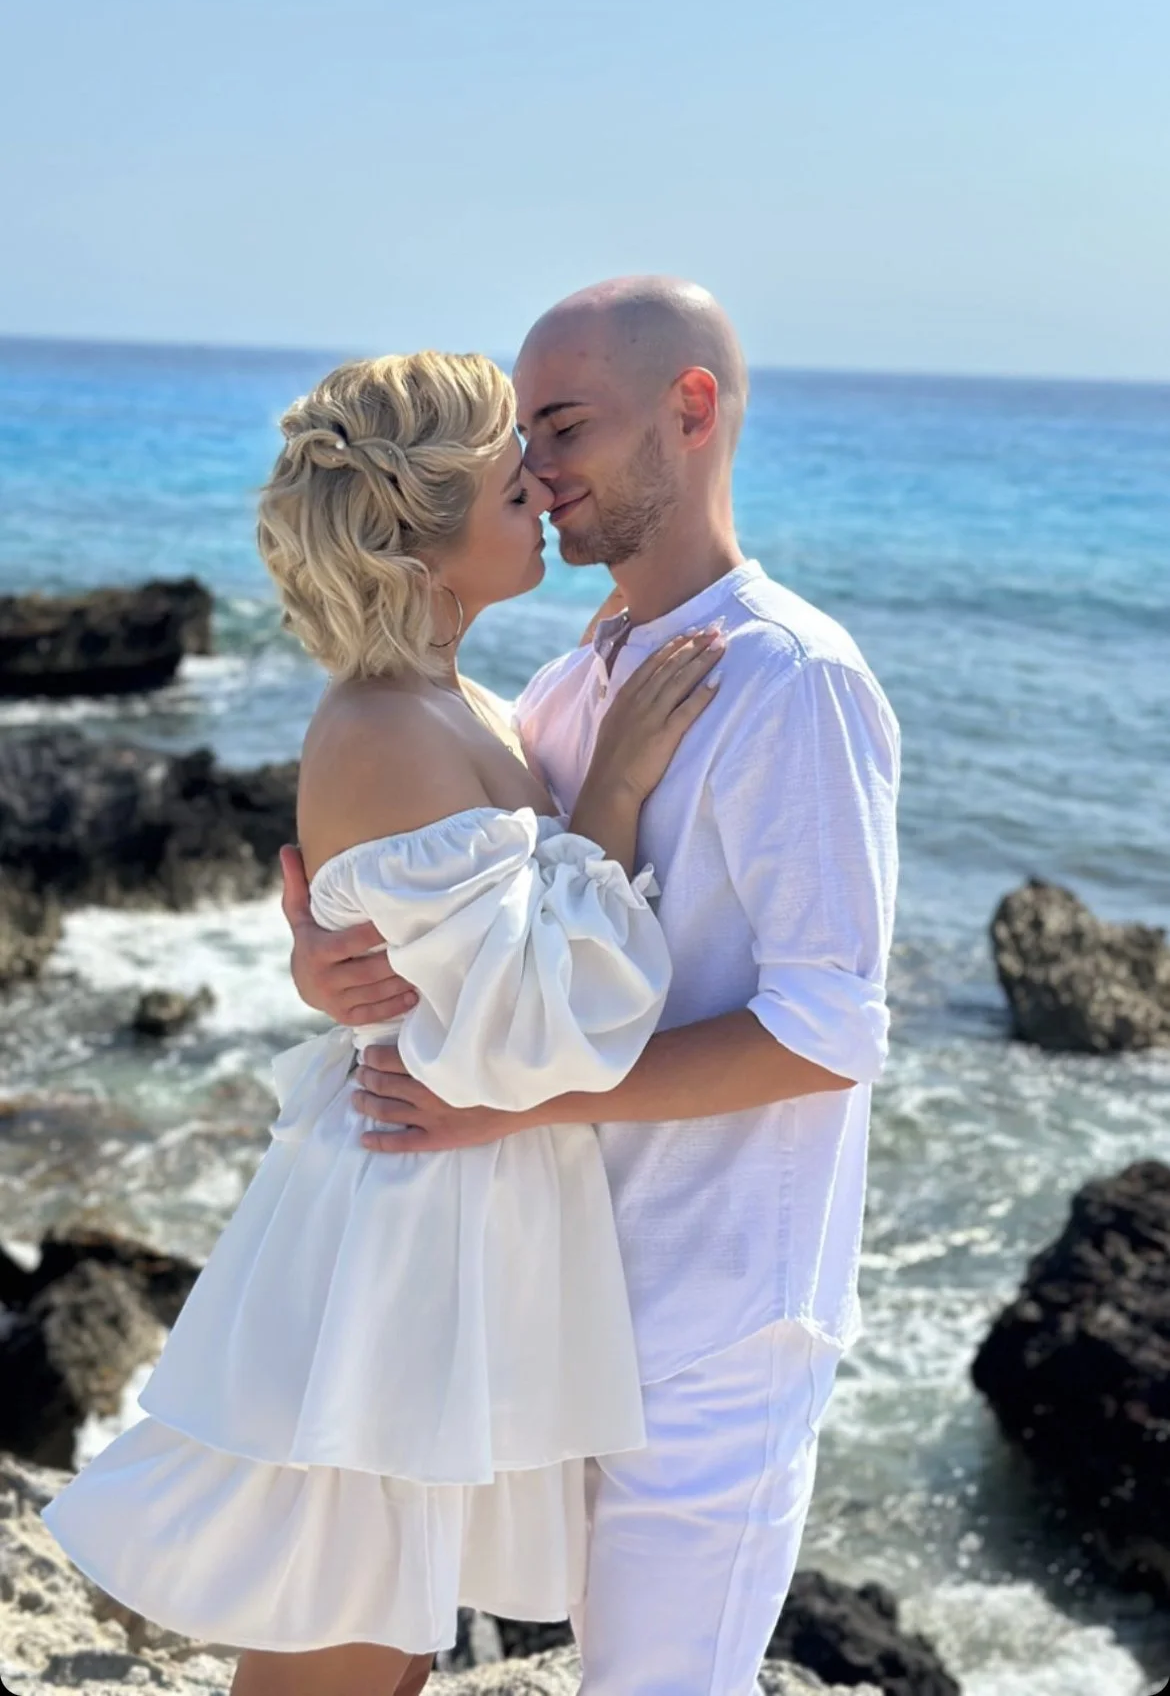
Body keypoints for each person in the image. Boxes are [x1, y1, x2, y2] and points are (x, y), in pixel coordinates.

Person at [42, 348, 727, 1696]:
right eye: (501, 471)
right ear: (415, 536)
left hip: (450, 1201)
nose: (537, 481)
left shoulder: (452, 702)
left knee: (386, 1623)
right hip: (414, 1216)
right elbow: (528, 1020)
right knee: (349, 1627)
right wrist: (618, 790)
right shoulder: (385, 727)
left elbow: (451, 953)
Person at [286, 279, 901, 1696]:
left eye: (562, 427)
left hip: (722, 1308)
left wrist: (513, 1106)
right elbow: (492, 945)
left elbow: (826, 1031)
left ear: (688, 412)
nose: (535, 471)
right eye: (524, 440)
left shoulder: (790, 679)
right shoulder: (573, 682)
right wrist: (333, 963)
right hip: (562, 1287)